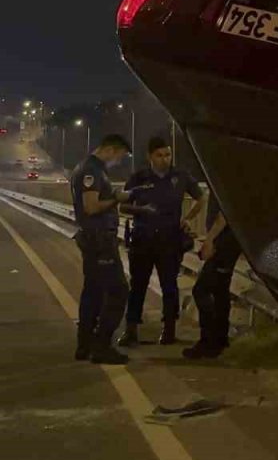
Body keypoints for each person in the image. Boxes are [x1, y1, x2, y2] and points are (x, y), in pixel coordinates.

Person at [118, 136, 206, 347]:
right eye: (160, 155)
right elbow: (123, 206)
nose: (165, 159)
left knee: (169, 286)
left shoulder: (180, 176)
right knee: (138, 285)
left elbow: (200, 198)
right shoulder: (139, 177)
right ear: (150, 156)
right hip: (142, 239)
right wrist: (142, 210)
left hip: (169, 240)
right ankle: (131, 330)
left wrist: (187, 219)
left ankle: (169, 330)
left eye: (167, 154)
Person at [70, 134, 140, 364]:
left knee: (93, 291)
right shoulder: (92, 171)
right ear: (111, 149)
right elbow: (91, 207)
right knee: (119, 290)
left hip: (92, 239)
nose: (118, 161)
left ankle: (85, 345)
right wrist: (116, 198)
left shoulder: (86, 167)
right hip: (99, 240)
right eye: (120, 156)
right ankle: (102, 346)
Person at [183, 185, 242, 359]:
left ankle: (208, 341)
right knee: (220, 290)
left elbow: (224, 214)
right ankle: (220, 339)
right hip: (230, 240)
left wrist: (210, 241)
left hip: (224, 241)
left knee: (201, 290)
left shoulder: (223, 179)